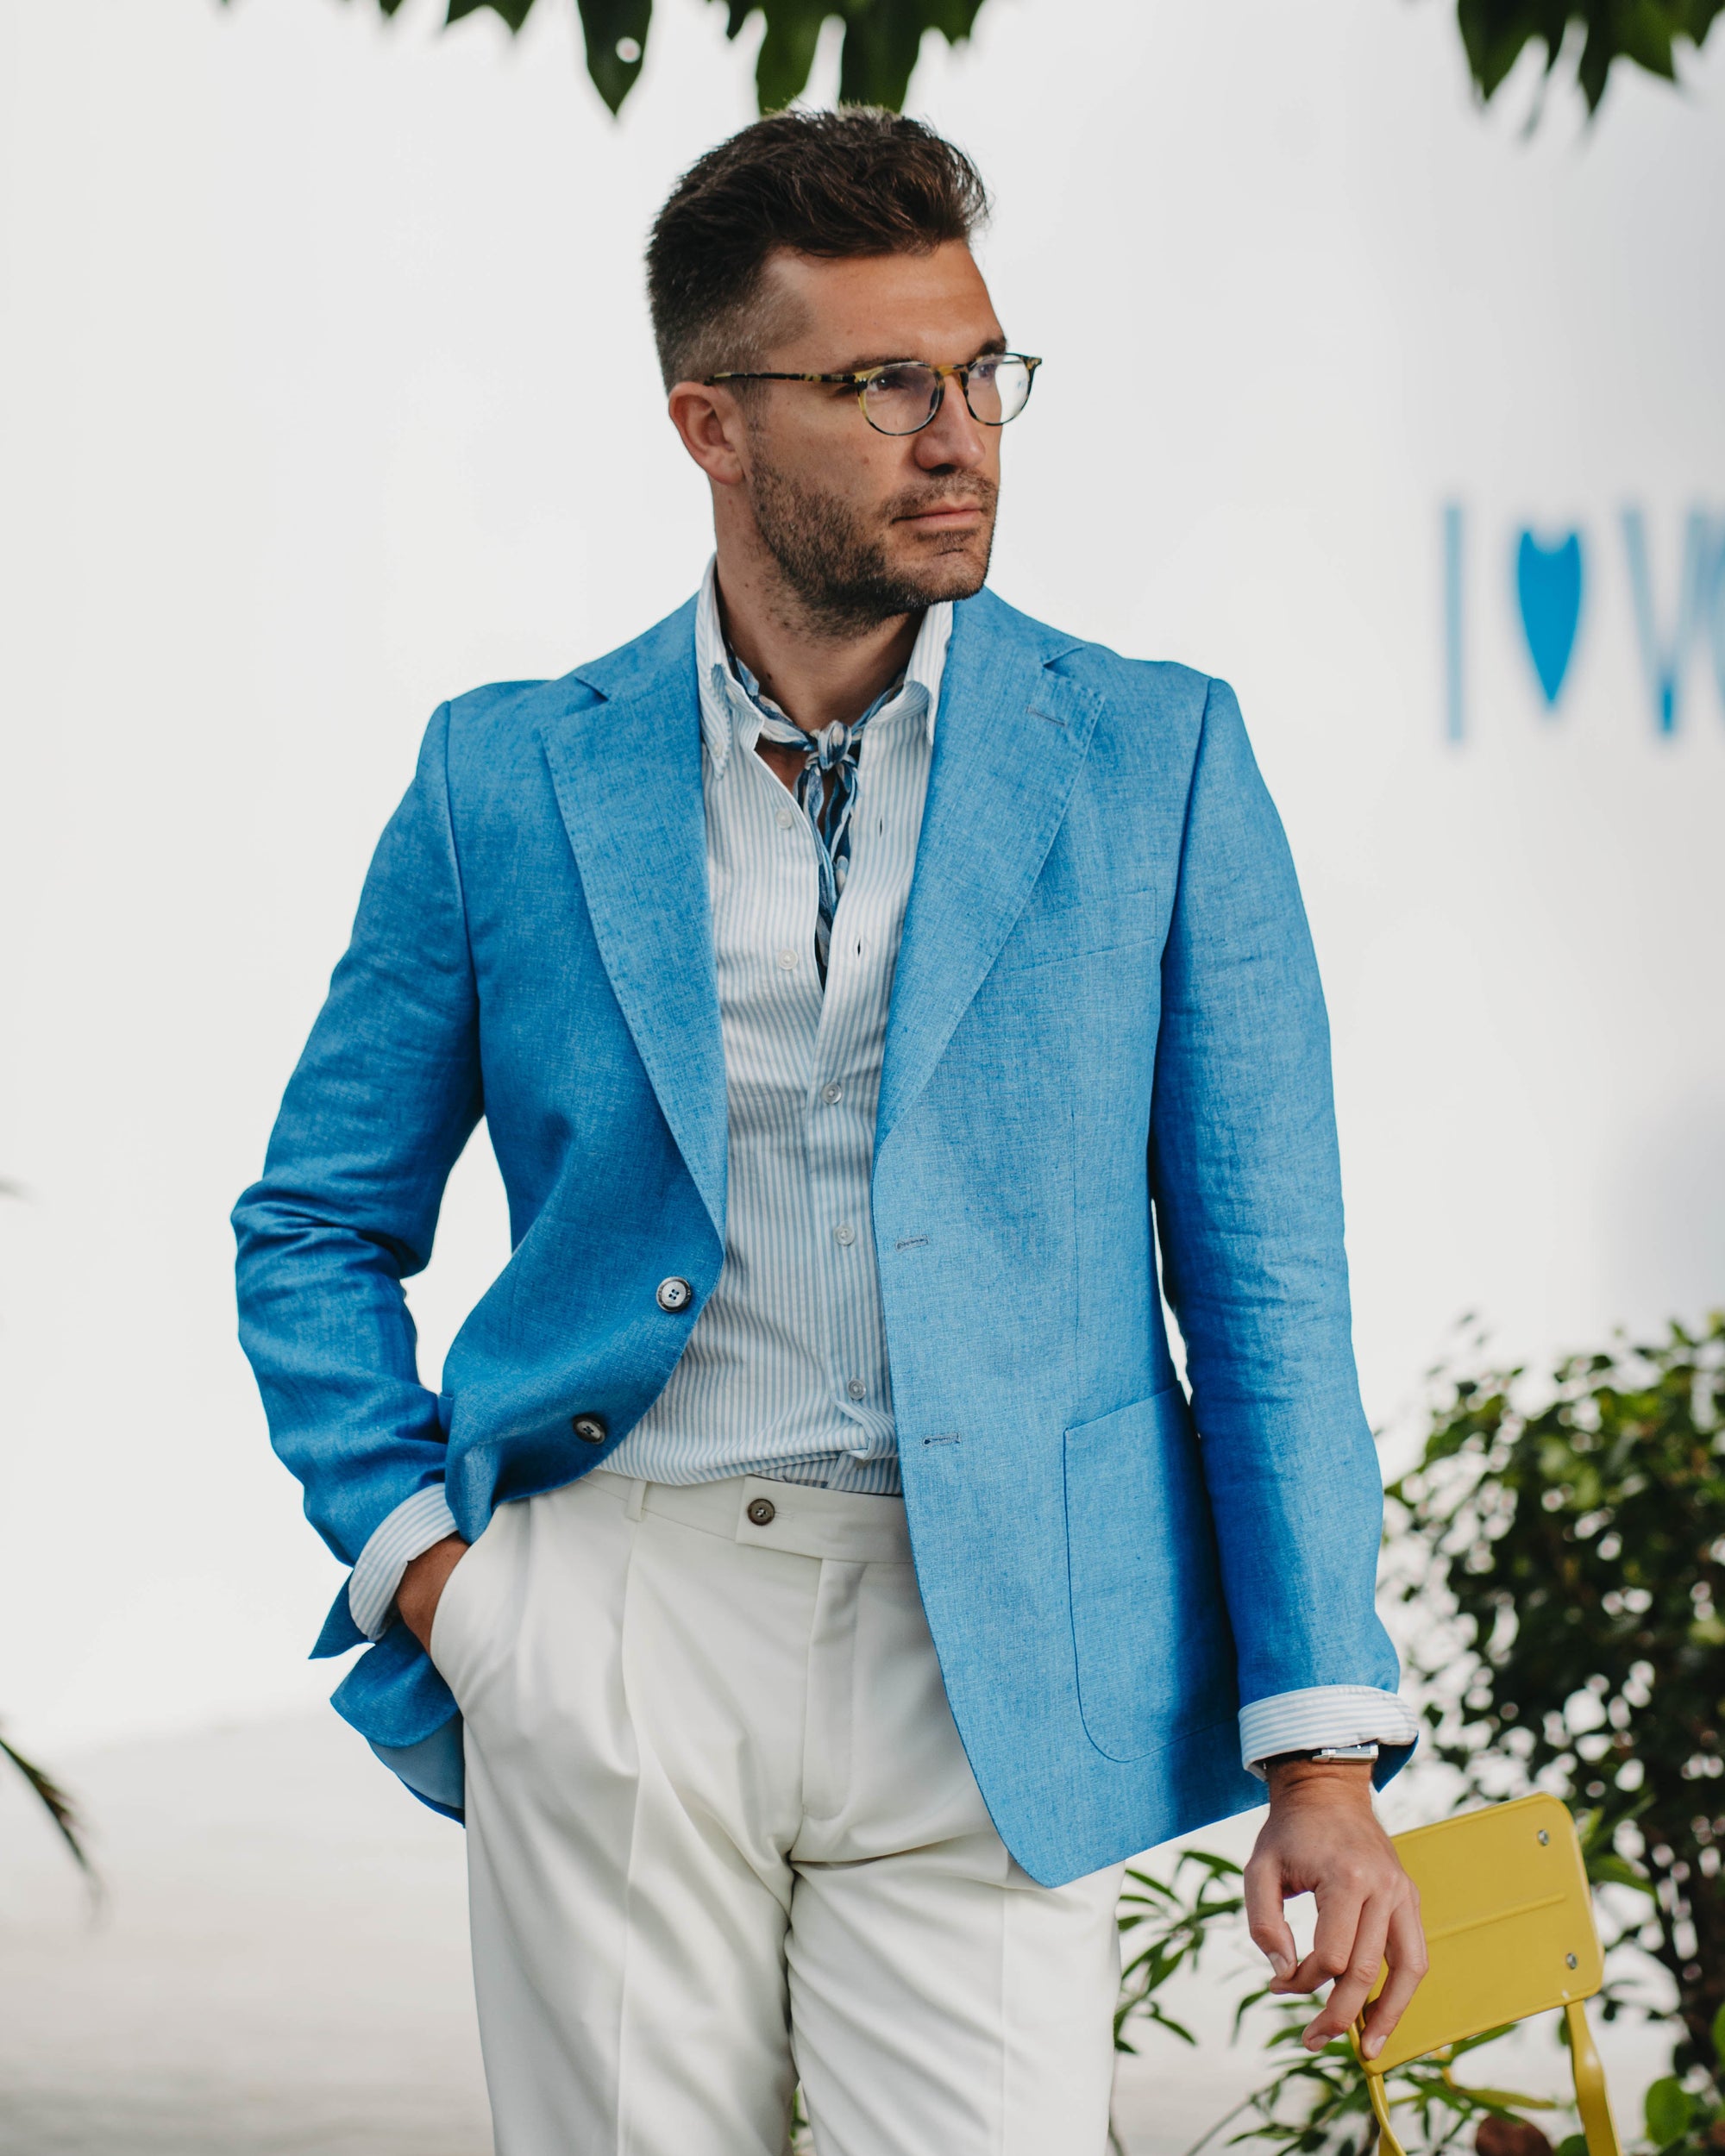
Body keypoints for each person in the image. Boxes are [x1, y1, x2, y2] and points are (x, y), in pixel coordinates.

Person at [234, 107, 1425, 2156]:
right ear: (712, 422)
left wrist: (1321, 1749)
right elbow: (316, 1218)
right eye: (883, 384)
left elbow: (1262, 1272)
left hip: (990, 1648)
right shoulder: (505, 775)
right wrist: (437, 1574)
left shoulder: (1155, 756)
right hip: (615, 1615)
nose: (958, 434)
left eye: (979, 373)